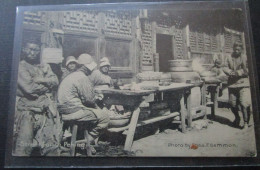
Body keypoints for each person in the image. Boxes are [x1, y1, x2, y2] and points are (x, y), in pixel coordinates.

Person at [13, 41, 61, 156]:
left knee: (51, 146)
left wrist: (40, 80)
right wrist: (47, 86)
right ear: (24, 50)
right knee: (24, 147)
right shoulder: (21, 66)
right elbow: (30, 89)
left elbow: (55, 81)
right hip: (28, 111)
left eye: (35, 50)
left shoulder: (43, 66)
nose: (32, 52)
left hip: (44, 110)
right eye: (30, 49)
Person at [57, 54, 110, 147]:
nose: (92, 70)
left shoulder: (71, 76)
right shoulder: (82, 77)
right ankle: (85, 142)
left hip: (63, 111)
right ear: (86, 68)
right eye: (91, 68)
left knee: (94, 113)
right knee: (105, 117)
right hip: (74, 112)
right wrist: (97, 104)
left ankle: (79, 139)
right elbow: (89, 100)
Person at [223, 41, 251, 129]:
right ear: (233, 49)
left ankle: (246, 122)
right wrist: (229, 72)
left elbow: (249, 68)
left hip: (243, 83)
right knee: (232, 103)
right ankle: (237, 118)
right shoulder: (229, 57)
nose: (236, 51)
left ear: (241, 50)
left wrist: (239, 72)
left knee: (244, 103)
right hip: (232, 84)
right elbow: (224, 66)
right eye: (235, 49)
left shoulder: (245, 57)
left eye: (238, 50)